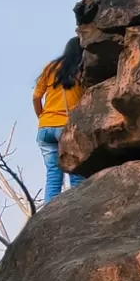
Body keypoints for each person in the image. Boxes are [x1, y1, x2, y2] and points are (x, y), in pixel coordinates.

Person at [33, 37, 86, 203]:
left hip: (45, 127)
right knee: (77, 173)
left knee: (53, 176)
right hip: (66, 127)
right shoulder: (81, 69)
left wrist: (42, 117)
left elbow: (36, 97)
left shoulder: (51, 68)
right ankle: (78, 211)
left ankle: (49, 214)